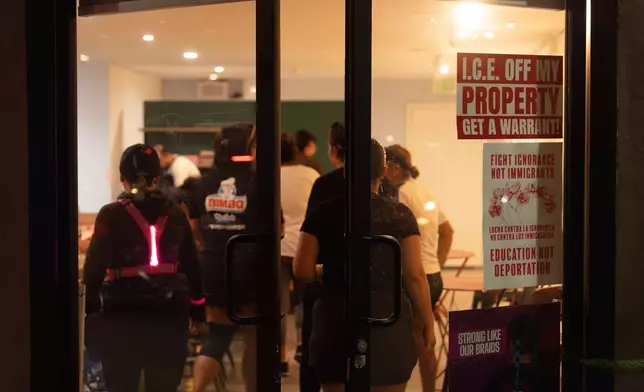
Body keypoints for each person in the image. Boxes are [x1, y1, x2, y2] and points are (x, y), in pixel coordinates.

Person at [294, 139, 436, 392]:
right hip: (387, 317)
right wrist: (427, 320)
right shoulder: (400, 215)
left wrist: (327, 270)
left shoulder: (322, 212)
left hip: (336, 317)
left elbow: (302, 270)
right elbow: (414, 275)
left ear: (345, 170)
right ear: (383, 172)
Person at [83, 143, 205, 392]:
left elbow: (93, 270)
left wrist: (92, 315)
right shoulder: (176, 213)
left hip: (122, 314)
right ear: (158, 178)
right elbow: (193, 266)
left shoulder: (110, 215)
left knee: (122, 385)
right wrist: (198, 311)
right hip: (169, 314)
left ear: (122, 178)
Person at [189, 123, 261, 392]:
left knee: (217, 337)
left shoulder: (203, 182)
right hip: (250, 271)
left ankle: (196, 390)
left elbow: (195, 231)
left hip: (215, 268)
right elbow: (274, 230)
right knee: (254, 338)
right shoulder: (260, 182)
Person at [384, 144, 454, 392]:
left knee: (416, 338)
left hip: (415, 275)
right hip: (432, 275)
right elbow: (447, 231)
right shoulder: (426, 192)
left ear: (393, 168)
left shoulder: (401, 195)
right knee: (425, 335)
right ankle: (429, 389)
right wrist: (437, 263)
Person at [300, 121, 346, 392]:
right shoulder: (379, 186)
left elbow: (311, 234)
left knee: (316, 350)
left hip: (327, 279)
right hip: (368, 282)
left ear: (334, 150)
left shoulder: (325, 185)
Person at [280, 133, 320, 375]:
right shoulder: (311, 176)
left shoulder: (267, 176)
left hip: (278, 248)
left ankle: (281, 357)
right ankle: (303, 347)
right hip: (306, 246)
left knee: (280, 305)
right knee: (306, 302)